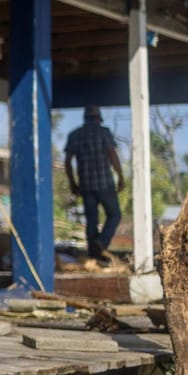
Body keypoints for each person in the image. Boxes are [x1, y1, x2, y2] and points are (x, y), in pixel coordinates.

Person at [64, 105, 125, 263]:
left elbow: (68, 162)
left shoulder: (75, 135)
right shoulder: (104, 133)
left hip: (86, 185)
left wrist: (73, 183)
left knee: (92, 220)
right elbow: (112, 155)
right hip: (105, 183)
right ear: (98, 118)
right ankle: (101, 243)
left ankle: (93, 253)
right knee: (114, 215)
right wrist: (121, 176)